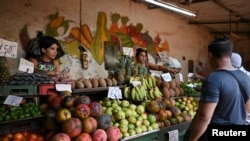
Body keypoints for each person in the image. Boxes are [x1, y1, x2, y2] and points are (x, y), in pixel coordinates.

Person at [185, 36, 250, 141]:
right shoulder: (246, 78)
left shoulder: (214, 79)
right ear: (230, 54)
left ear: (210, 55)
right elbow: (247, 110)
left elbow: (204, 118)